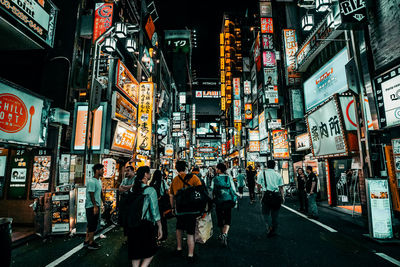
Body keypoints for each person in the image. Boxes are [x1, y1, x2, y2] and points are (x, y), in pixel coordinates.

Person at [128, 166, 162, 267]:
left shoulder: (132, 189)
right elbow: (154, 211)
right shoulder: (150, 190)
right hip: (145, 225)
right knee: (150, 251)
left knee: (136, 253)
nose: (150, 174)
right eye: (149, 173)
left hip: (132, 224)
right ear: (145, 175)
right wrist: (160, 226)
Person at [169, 160, 202, 263]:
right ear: (186, 167)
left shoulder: (174, 180)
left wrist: (172, 208)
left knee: (179, 228)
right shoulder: (194, 178)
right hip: (192, 210)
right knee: (190, 232)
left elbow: (171, 195)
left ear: (176, 168)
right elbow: (201, 192)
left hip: (180, 210)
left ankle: (179, 248)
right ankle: (190, 255)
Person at [210, 163, 238, 247]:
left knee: (220, 218)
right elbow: (233, 189)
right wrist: (235, 200)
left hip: (219, 201)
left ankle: (222, 234)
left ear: (219, 170)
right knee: (227, 218)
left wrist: (211, 201)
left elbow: (212, 191)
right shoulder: (228, 178)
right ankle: (225, 234)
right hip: (228, 200)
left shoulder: (215, 179)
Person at [256, 160, 285, 238]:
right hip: (276, 195)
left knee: (265, 213)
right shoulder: (278, 174)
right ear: (274, 165)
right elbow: (281, 187)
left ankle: (269, 227)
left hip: (266, 195)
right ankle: (274, 229)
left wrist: (258, 192)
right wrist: (282, 196)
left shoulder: (262, 173)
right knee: (275, 215)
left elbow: (258, 184)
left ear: (267, 165)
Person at [84, 164, 104, 250]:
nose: (103, 171)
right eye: (102, 170)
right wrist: (95, 206)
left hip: (96, 205)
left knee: (91, 223)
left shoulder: (99, 181)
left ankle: (87, 240)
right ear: (97, 170)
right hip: (91, 206)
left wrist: (104, 201)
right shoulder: (91, 181)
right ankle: (91, 242)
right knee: (92, 224)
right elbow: (91, 194)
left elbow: (100, 192)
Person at [150, 169, 169, 241]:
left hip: (154, 204)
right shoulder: (163, 182)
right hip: (162, 204)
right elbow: (167, 191)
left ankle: (155, 235)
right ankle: (163, 236)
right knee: (163, 220)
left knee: (155, 220)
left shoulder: (151, 183)